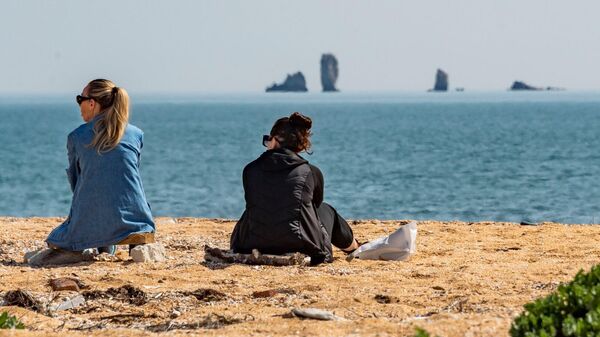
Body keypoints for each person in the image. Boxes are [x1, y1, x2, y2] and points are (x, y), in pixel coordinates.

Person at [44, 79, 155, 260]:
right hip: (138, 219)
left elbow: (76, 182)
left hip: (89, 221)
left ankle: (104, 243)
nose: (79, 105)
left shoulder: (76, 137)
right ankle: (126, 236)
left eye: (80, 99)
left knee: (55, 237)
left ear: (92, 103)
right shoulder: (136, 134)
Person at [230, 112, 360, 265]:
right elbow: (315, 205)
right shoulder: (311, 172)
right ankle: (354, 247)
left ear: (274, 141)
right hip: (301, 244)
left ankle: (354, 246)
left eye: (268, 140)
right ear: (299, 147)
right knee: (326, 210)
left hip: (250, 242)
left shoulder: (250, 170)